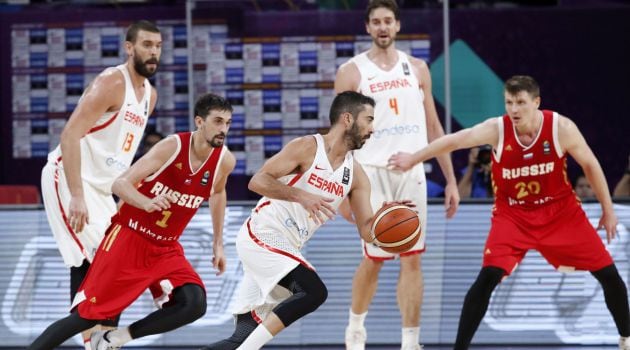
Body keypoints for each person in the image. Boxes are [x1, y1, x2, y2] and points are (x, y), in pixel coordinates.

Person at [388, 75, 630, 350]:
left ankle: (626, 339)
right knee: (488, 277)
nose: (514, 109)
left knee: (609, 276)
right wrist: (413, 159)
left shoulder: (561, 127)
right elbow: (454, 141)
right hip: (513, 216)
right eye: (509, 102)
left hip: (560, 213)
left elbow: (591, 165)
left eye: (521, 103)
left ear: (536, 103)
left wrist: (608, 210)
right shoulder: (497, 129)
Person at [28, 93, 236, 350]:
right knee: (87, 316)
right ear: (199, 122)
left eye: (227, 123)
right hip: (130, 237)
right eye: (217, 121)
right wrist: (145, 202)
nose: (223, 129)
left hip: (165, 248)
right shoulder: (172, 147)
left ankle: (114, 339)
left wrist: (218, 243)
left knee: (195, 303)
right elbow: (120, 183)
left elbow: (217, 192)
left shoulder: (224, 160)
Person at [201, 91, 391, 350]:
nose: (372, 128)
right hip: (262, 234)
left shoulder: (356, 175)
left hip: (284, 249)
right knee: (315, 292)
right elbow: (258, 181)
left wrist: (388, 220)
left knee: (239, 338)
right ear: (348, 118)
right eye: (368, 120)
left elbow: (368, 232)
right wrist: (301, 195)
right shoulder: (307, 147)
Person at [334, 1, 460, 349]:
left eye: (388, 21)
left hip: (412, 172)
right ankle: (355, 330)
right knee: (374, 259)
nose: (383, 27)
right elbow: (339, 136)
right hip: (370, 174)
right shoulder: (351, 72)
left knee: (413, 257)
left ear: (398, 25)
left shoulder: (417, 68)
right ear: (368, 28)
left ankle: (410, 341)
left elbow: (434, 126)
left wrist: (450, 179)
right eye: (376, 22)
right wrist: (341, 189)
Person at [39, 20, 162, 349]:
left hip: (104, 191)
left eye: (158, 46)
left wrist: (123, 198)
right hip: (69, 178)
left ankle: (99, 343)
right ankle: (88, 342)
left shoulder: (150, 95)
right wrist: (76, 194)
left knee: (116, 264)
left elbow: (121, 154)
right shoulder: (111, 81)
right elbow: (69, 135)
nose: (153, 52)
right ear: (129, 47)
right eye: (147, 44)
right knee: (90, 262)